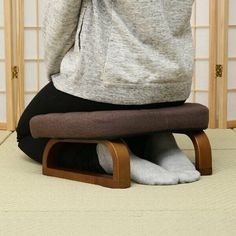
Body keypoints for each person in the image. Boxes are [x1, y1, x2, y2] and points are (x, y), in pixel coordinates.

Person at [16, 0, 200, 185]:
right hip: (172, 83)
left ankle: (105, 157)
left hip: (109, 81)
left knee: (27, 132)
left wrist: (58, 70)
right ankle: (160, 143)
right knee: (138, 108)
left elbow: (62, 15)